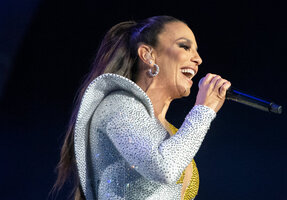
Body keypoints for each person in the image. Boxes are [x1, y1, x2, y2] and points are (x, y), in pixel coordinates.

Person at [53, 15, 231, 200]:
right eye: (185, 47)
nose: (198, 59)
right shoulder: (117, 105)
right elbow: (164, 169)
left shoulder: (172, 132)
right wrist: (203, 110)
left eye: (196, 50)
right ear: (148, 55)